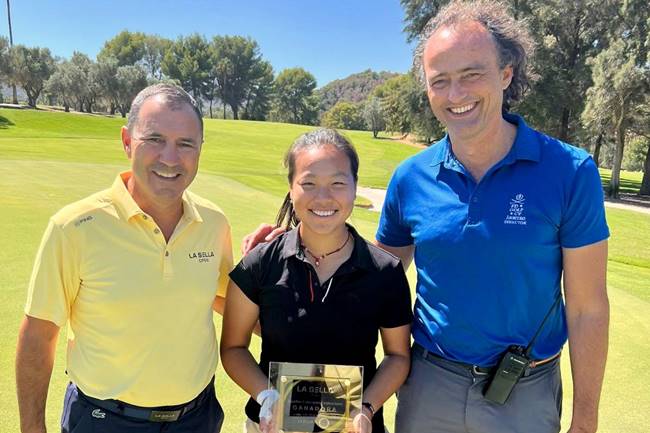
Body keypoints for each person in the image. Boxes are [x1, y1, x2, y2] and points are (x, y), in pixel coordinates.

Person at [242, 2, 610, 432]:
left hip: (524, 388)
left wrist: (585, 420)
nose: (456, 95)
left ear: (506, 73)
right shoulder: (411, 177)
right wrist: (295, 243)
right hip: (429, 382)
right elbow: (367, 276)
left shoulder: (570, 170)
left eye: (471, 74)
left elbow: (587, 309)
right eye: (440, 81)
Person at [16, 83, 233, 433]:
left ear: (200, 150)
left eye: (186, 144)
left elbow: (224, 297)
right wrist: (31, 428)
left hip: (196, 419)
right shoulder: (74, 227)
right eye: (155, 139)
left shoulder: (214, 222)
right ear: (127, 141)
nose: (170, 158)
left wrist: (271, 267)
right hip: (104, 420)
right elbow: (38, 335)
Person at [221, 128, 412, 433]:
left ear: (354, 187)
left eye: (337, 183)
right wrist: (266, 396)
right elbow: (232, 348)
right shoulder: (260, 263)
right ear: (291, 187)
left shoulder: (384, 271)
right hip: (273, 426)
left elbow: (398, 355)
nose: (323, 197)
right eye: (308, 183)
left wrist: (366, 407)